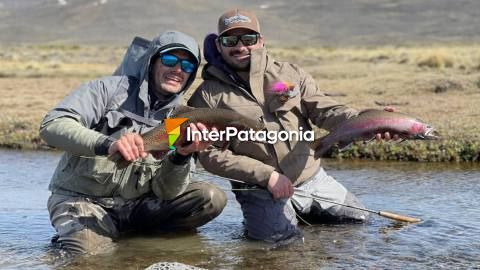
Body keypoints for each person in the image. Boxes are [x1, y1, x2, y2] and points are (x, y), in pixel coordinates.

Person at [188, 9, 398, 243]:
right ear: (218, 45)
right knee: (278, 245)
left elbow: (326, 110)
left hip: (313, 179)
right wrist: (267, 176)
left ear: (261, 40)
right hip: (260, 189)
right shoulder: (206, 96)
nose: (240, 46)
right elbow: (209, 154)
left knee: (359, 227)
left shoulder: (291, 74)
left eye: (248, 39)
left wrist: (366, 120)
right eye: (230, 40)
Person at [39, 30, 227, 255]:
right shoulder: (108, 90)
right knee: (90, 259)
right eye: (170, 60)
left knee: (210, 197)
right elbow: (52, 125)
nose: (178, 70)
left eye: (187, 67)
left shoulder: (180, 118)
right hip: (83, 201)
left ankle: (134, 241)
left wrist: (182, 156)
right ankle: (80, 239)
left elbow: (165, 192)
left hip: (136, 207)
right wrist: (107, 144)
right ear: (152, 61)